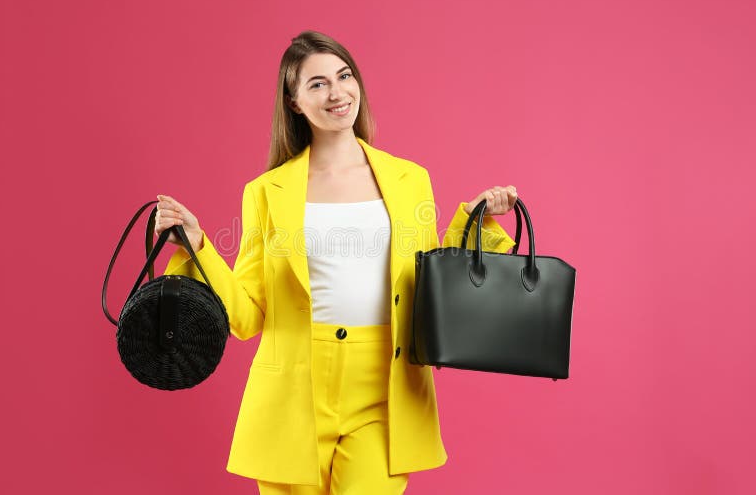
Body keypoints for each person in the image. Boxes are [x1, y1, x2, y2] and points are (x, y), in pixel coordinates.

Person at [154, 30, 518, 494]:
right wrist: (200, 246)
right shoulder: (266, 192)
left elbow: (433, 282)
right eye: (317, 84)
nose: (337, 92)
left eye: (344, 76)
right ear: (294, 102)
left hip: (385, 388)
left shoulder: (410, 180)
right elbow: (246, 316)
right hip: (293, 394)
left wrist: (476, 220)